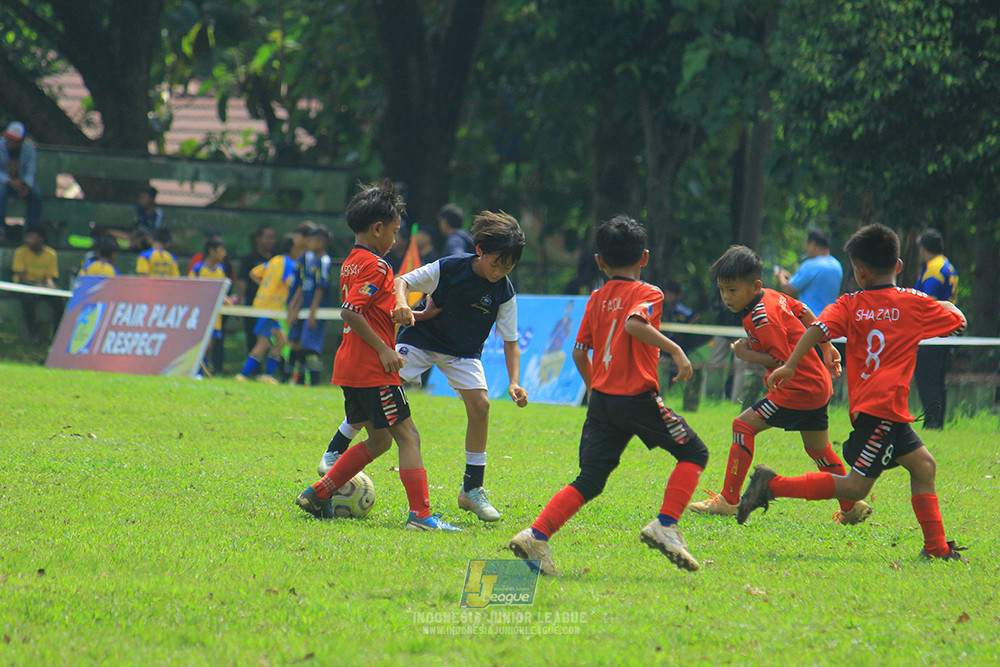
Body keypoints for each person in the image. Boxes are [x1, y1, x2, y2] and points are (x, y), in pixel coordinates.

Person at [739, 224, 968, 562]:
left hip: (877, 409)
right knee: (855, 488)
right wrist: (944, 308)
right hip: (883, 411)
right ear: (899, 266)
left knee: (923, 466)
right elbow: (957, 320)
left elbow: (815, 328)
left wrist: (789, 366)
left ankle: (936, 548)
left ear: (859, 273)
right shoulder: (913, 303)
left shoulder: (850, 305)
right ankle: (771, 486)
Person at [509, 215, 709, 575]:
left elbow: (578, 351)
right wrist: (677, 351)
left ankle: (536, 535)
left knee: (590, 479)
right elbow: (635, 323)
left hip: (602, 401)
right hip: (637, 398)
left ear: (600, 262)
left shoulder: (597, 297)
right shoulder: (649, 293)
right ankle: (665, 524)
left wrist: (596, 385)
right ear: (644, 258)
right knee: (694, 452)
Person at [318, 211, 529, 523]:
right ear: (481, 251)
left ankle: (472, 489)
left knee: (481, 406)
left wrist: (514, 382)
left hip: (462, 352)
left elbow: (511, 341)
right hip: (420, 340)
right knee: (379, 387)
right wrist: (403, 303)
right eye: (495, 263)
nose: (499, 271)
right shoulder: (450, 266)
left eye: (508, 266)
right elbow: (403, 281)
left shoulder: (504, 291)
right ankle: (337, 447)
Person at [295, 179, 461, 531]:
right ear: (377, 229)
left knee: (381, 440)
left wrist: (413, 315)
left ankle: (319, 492)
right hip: (372, 368)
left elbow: (368, 311)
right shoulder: (378, 266)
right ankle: (421, 515)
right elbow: (351, 311)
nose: (397, 239)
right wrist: (385, 348)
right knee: (409, 437)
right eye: (396, 232)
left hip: (350, 367)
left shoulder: (351, 263)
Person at [687, 245, 872, 525]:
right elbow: (807, 312)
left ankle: (729, 499)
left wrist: (746, 354)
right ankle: (851, 507)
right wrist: (826, 346)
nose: (726, 297)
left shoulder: (762, 317)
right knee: (819, 450)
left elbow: (782, 359)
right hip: (816, 385)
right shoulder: (773, 296)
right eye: (722, 290)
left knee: (743, 425)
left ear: (755, 286)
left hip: (798, 388)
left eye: (732, 290)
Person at [235, 234, 300, 384]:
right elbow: (290, 282)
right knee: (262, 343)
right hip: (271, 307)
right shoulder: (289, 264)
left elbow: (253, 273)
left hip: (262, 304)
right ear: (293, 248)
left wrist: (266, 288)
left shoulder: (275, 260)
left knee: (281, 341)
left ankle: (267, 375)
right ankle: (244, 374)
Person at [913, 229, 958, 429]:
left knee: (927, 379)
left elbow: (927, 304)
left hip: (931, 332)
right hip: (946, 330)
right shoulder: (948, 266)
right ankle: (938, 422)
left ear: (923, 248)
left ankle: (931, 423)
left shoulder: (933, 269)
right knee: (939, 380)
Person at [286, 225, 333, 386]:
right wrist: (294, 307)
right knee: (302, 344)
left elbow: (320, 288)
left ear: (320, 242)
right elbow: (304, 286)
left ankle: (315, 382)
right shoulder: (311, 260)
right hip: (307, 309)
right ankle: (298, 380)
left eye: (312, 241)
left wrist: (313, 312)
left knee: (311, 346)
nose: (309, 244)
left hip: (315, 310)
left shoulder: (324, 261)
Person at [189, 238, 232, 376]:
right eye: (221, 251)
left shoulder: (221, 270)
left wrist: (226, 299)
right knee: (203, 344)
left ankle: (202, 371)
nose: (224, 254)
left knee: (210, 346)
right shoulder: (198, 269)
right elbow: (189, 288)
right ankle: (196, 371)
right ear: (212, 251)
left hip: (215, 316)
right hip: (201, 314)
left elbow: (222, 291)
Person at [11, 226, 62, 343]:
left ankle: (57, 336)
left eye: (32, 237)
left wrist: (51, 287)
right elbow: (21, 278)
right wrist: (37, 287)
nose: (28, 240)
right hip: (24, 287)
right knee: (27, 301)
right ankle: (34, 335)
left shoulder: (51, 254)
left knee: (59, 301)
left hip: (41, 288)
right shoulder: (21, 252)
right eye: (27, 237)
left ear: (40, 239)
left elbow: (48, 277)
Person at [776, 227, 843, 315]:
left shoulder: (811, 265)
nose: (806, 249)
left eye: (807, 244)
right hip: (829, 320)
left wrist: (780, 275)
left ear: (813, 244)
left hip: (810, 322)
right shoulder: (837, 265)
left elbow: (789, 289)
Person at [661, 279, 703, 411]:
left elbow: (695, 318)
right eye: (666, 294)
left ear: (678, 296)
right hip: (665, 349)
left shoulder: (683, 311)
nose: (668, 297)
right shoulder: (664, 309)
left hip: (680, 349)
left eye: (671, 294)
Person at [237, 224, 277, 355]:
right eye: (268, 237)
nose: (272, 240)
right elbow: (242, 283)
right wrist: (241, 304)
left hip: (272, 307)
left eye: (273, 237)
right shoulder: (249, 259)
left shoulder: (276, 260)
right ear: (258, 239)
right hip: (253, 304)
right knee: (253, 338)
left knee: (276, 339)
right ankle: (254, 371)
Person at [0, 122, 43, 240]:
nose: (10, 142)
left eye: (14, 140)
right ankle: (1, 229)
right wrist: (9, 181)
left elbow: (31, 170)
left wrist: (26, 185)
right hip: (4, 182)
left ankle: (32, 230)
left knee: (36, 194)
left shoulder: (29, 150)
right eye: (9, 139)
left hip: (21, 181)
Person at [129, 185, 164, 250]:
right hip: (137, 239)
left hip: (150, 239)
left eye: (143, 198)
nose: (140, 200)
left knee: (152, 242)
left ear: (151, 199)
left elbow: (155, 231)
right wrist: (133, 239)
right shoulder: (139, 212)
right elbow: (135, 229)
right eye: (140, 198)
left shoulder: (158, 213)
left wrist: (140, 239)